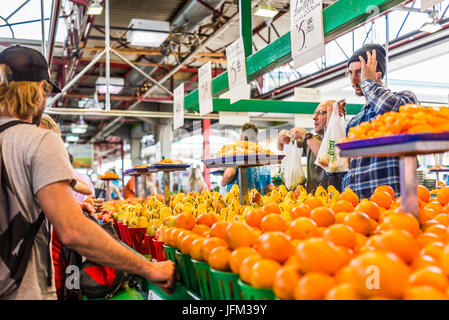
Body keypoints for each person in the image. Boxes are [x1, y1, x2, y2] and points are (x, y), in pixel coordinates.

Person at [0, 45, 176, 300]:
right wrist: (148, 267)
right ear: (40, 89)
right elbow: (73, 232)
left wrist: (60, 209)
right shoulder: (39, 141)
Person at [341, 43, 418, 198]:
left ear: (378, 72)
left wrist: (367, 82)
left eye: (359, 72)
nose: (354, 79)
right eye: (350, 73)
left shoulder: (406, 99)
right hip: (357, 210)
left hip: (392, 206)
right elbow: (345, 168)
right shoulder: (354, 122)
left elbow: (391, 108)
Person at [277, 100, 345, 193]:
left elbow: (327, 159)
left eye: (320, 113)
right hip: (311, 202)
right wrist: (281, 137)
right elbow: (281, 146)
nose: (314, 117)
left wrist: (306, 135)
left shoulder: (342, 141)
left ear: (334, 115)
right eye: (314, 113)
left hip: (334, 201)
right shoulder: (312, 140)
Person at [221, 122, 272, 194]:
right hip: (258, 201)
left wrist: (222, 182)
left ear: (242, 137)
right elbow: (268, 187)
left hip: (238, 201)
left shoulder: (238, 153)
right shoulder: (263, 157)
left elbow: (229, 174)